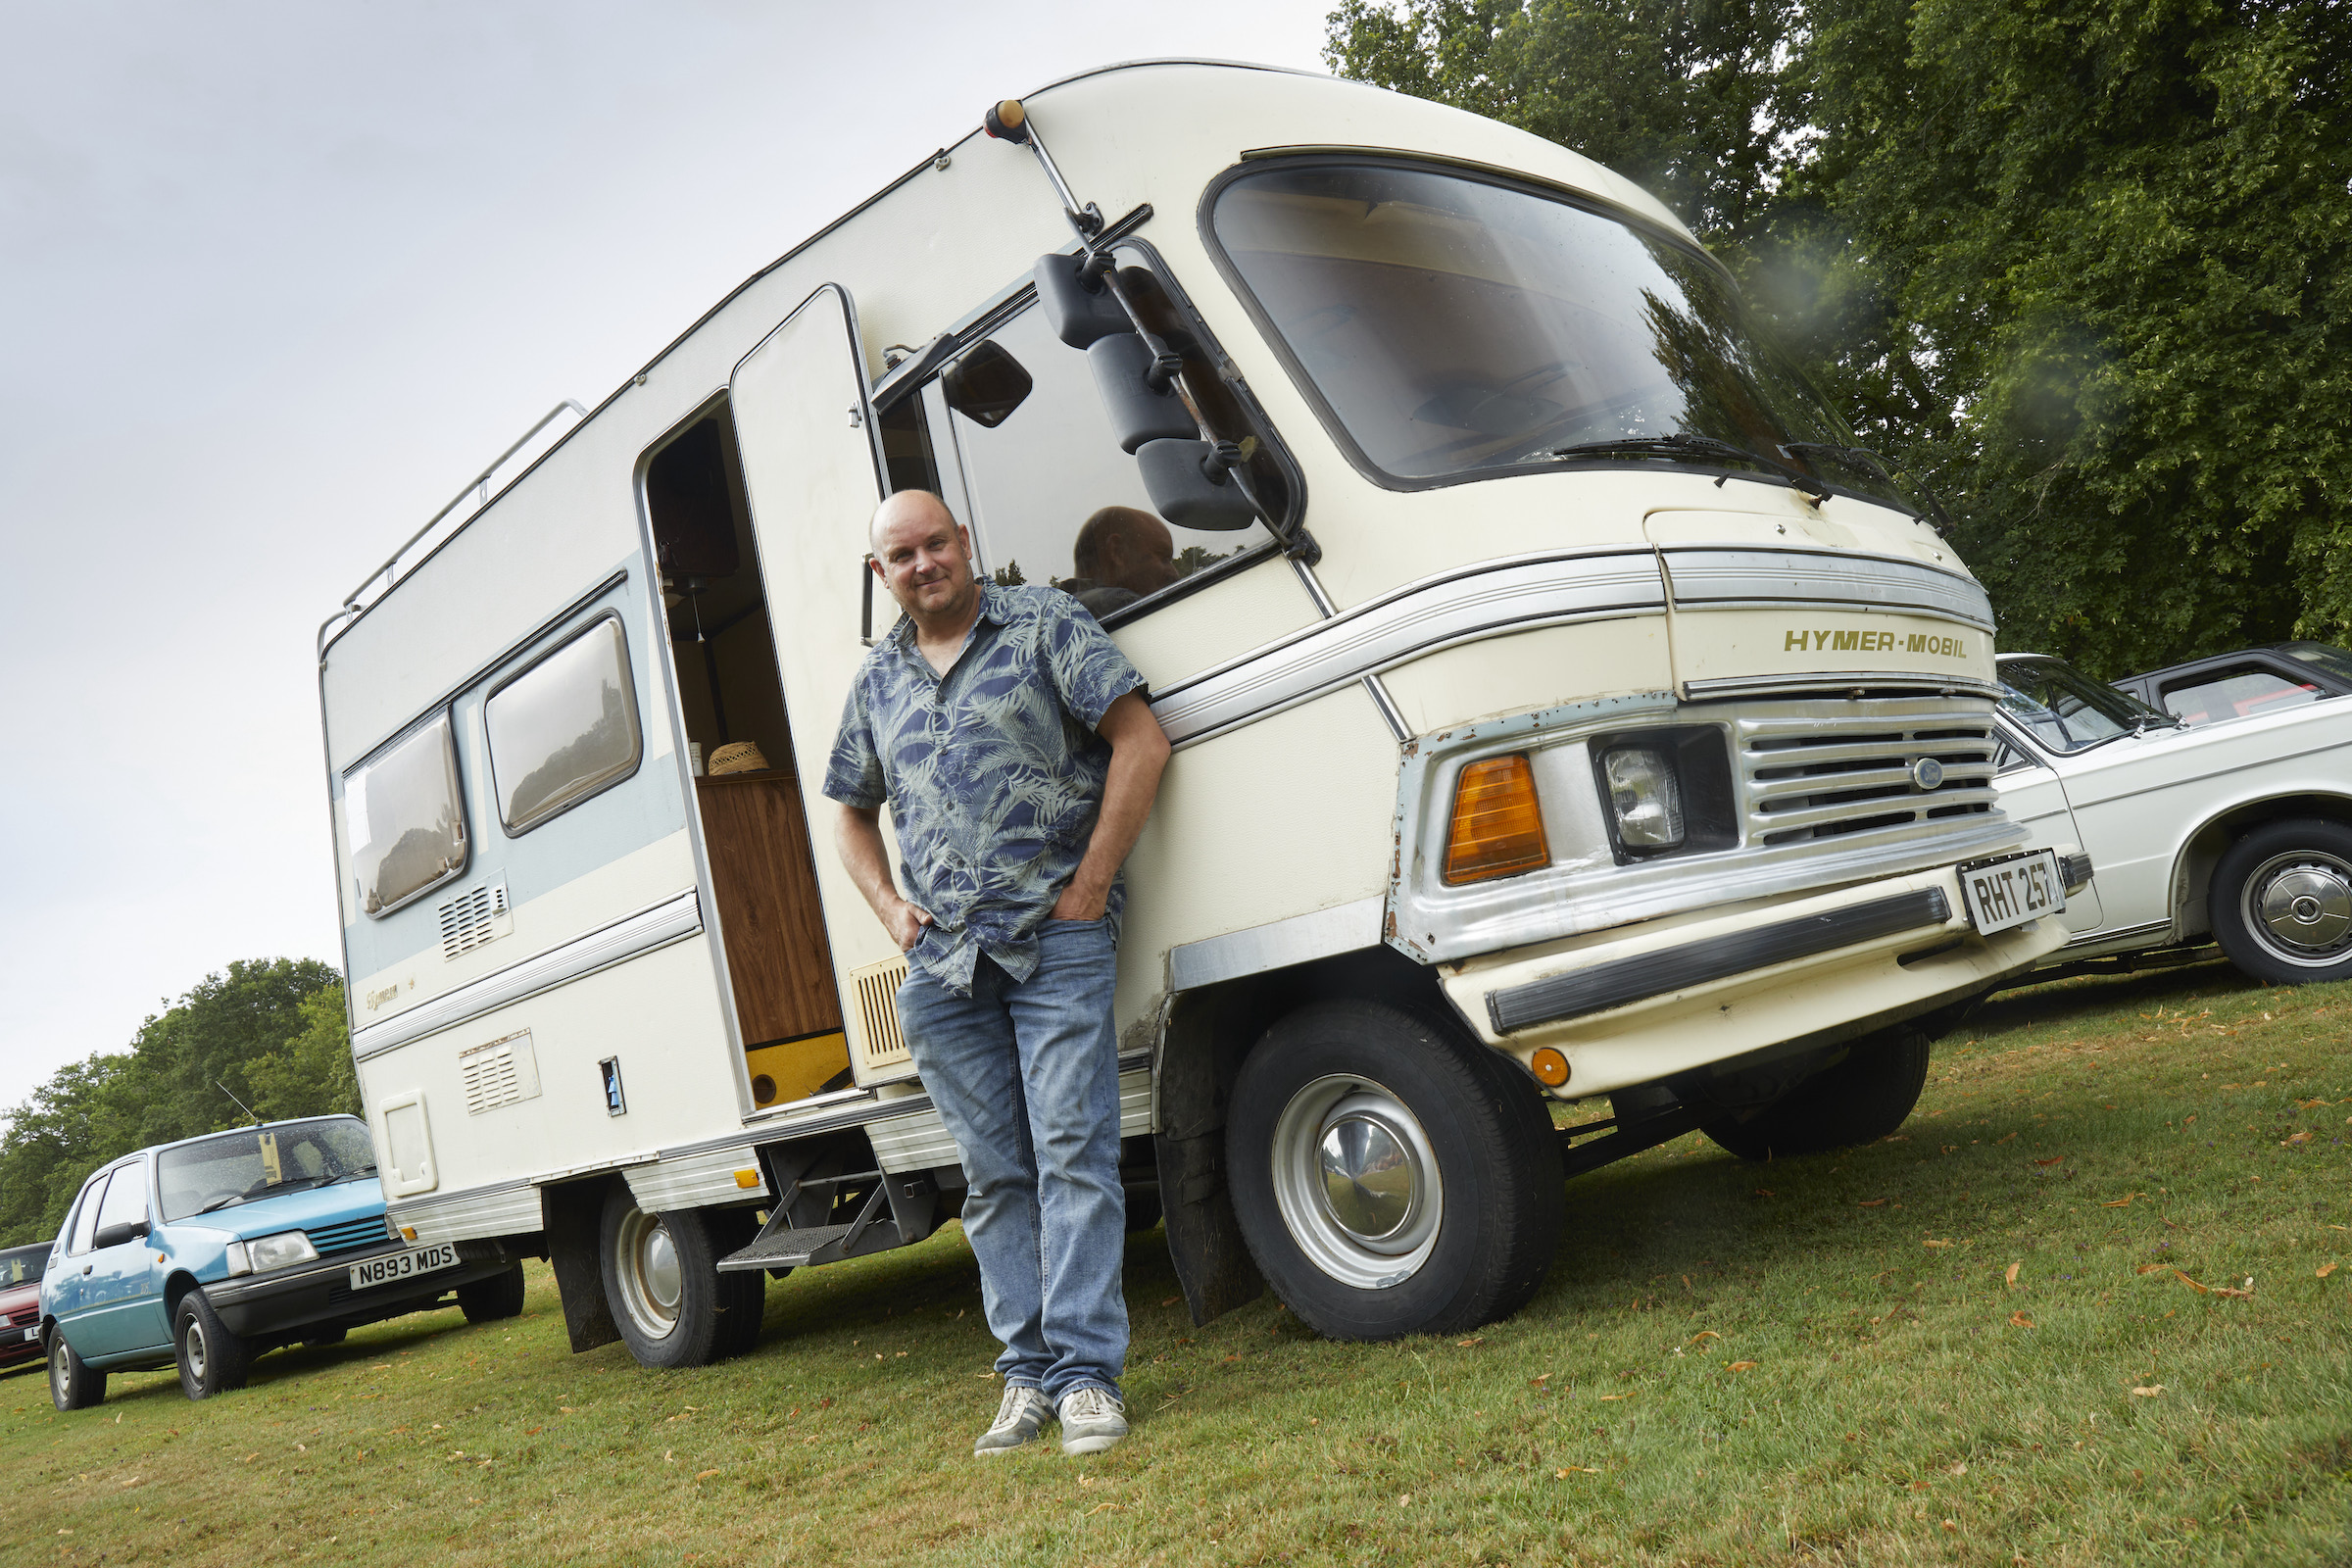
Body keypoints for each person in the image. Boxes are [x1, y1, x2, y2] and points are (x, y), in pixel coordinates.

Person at [825, 489, 1172, 1458]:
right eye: (903, 554)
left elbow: (1140, 742)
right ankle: (1025, 1377)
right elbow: (849, 810)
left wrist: (1090, 884)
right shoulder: (878, 683)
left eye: (937, 543)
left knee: (1075, 1156)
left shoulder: (1044, 624)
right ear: (880, 574)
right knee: (993, 1177)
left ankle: (1087, 1378)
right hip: (944, 966)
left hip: (1054, 939)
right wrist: (891, 909)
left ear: (965, 543)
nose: (925, 562)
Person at [1063, 505, 1183, 619]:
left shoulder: (1061, 616)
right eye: (1164, 558)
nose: (1174, 573)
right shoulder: (1122, 604)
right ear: (1118, 552)